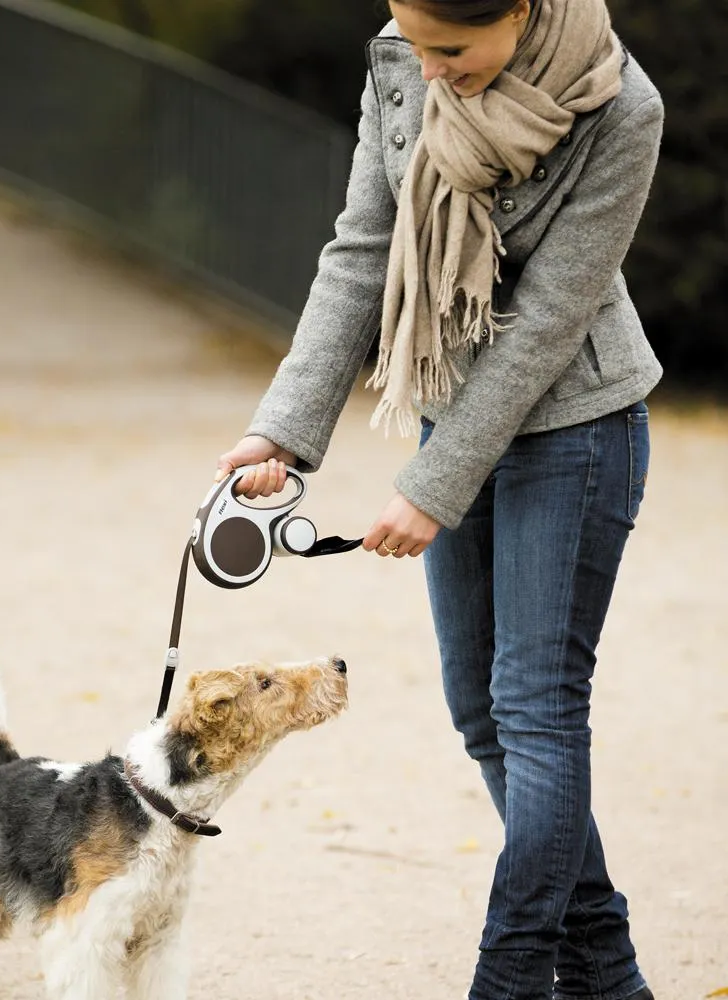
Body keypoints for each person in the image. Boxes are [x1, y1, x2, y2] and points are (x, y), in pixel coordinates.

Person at [214, 0, 662, 998]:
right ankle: (604, 973)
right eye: (413, 44)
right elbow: (361, 251)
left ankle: (504, 982)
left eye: (451, 50)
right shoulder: (398, 60)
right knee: (481, 713)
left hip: (576, 426)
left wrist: (431, 484)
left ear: (521, 10)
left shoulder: (619, 104)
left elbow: (550, 318)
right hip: (451, 400)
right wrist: (285, 428)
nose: (429, 68)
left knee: (535, 711)